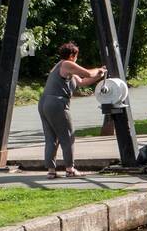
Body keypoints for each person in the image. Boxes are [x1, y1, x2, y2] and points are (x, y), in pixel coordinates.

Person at [39, 42, 106, 178]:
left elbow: (82, 82)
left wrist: (100, 75)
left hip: (45, 102)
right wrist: (99, 69)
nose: (76, 58)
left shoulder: (61, 67)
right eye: (76, 56)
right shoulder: (67, 64)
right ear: (71, 55)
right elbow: (88, 73)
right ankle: (70, 169)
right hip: (57, 103)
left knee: (51, 137)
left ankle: (51, 171)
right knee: (68, 137)